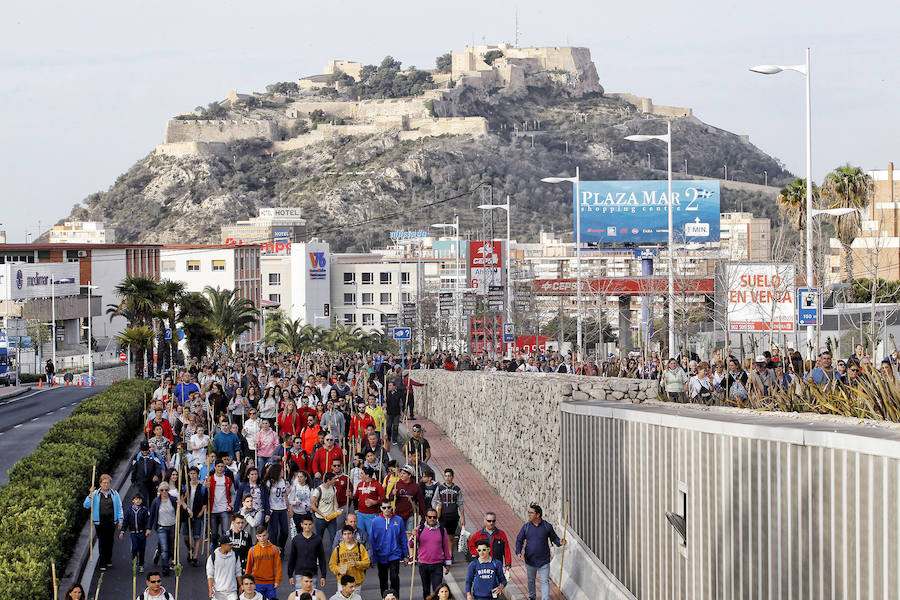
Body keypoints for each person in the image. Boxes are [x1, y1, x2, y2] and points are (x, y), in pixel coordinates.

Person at [515, 503, 565, 600]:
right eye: (529, 512)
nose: (529, 514)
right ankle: (532, 597)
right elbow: (519, 540)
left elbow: (554, 538)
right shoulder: (526, 527)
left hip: (544, 561)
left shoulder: (547, 526)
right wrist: (518, 552)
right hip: (530, 560)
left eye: (531, 513)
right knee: (531, 581)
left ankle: (545, 598)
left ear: (538, 515)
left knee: (545, 581)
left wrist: (560, 542)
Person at [82, 473, 124, 572]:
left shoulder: (115, 494)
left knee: (110, 541)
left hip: (111, 521)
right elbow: (86, 505)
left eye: (108, 483)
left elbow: (119, 507)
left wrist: (120, 520)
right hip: (100, 522)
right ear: (100, 483)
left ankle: (108, 558)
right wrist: (90, 495)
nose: (106, 485)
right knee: (102, 542)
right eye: (104, 483)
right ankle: (102, 561)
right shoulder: (95, 494)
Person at [409, 508, 452, 600]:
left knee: (437, 590)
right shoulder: (419, 529)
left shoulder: (442, 530)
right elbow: (411, 544)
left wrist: (448, 563)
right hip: (423, 564)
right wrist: (413, 536)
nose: (432, 519)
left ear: (437, 518)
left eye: (434, 517)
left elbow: (446, 547)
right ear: (426, 518)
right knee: (426, 589)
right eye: (430, 517)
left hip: (437, 565)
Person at [370, 500, 406, 598]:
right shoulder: (375, 522)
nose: (387, 510)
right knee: (383, 578)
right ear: (381, 508)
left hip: (394, 554)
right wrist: (372, 558)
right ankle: (384, 597)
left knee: (394, 577)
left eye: (389, 507)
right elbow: (372, 540)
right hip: (381, 555)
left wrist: (406, 555)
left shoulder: (398, 520)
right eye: (384, 507)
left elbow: (403, 538)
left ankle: (395, 597)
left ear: (392, 508)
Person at [286, 515, 328, 593]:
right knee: (299, 595)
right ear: (301, 524)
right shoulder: (296, 539)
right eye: (305, 524)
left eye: (309, 524)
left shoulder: (317, 539)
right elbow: (292, 558)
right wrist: (290, 575)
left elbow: (322, 558)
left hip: (312, 573)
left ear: (313, 525)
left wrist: (323, 576)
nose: (307, 526)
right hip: (299, 573)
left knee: (312, 596)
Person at [433, 468, 465, 561]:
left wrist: (463, 517)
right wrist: (436, 510)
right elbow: (434, 500)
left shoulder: (457, 489)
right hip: (442, 516)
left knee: (451, 536)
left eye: (449, 476)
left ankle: (450, 555)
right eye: (446, 476)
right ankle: (444, 554)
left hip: (453, 516)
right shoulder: (440, 488)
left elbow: (460, 503)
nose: (447, 478)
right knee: (443, 536)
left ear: (452, 477)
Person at [148, 482, 178, 576]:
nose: (164, 492)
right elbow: (152, 515)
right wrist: (148, 528)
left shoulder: (173, 500)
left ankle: (165, 558)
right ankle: (165, 567)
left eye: (166, 490)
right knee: (165, 547)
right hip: (161, 527)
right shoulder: (156, 501)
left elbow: (179, 510)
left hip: (172, 526)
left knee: (171, 547)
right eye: (162, 490)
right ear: (159, 491)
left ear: (168, 490)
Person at [179, 465, 207, 565]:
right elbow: (181, 500)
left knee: (196, 536)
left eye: (194, 473)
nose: (192, 475)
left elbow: (205, 502)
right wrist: (185, 503)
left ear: (198, 475)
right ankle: (190, 549)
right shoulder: (186, 486)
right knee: (186, 537)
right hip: (187, 514)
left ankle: (195, 557)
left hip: (197, 514)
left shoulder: (202, 488)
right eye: (191, 473)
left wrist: (201, 512)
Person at [246, 526, 283, 599]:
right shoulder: (252, 550)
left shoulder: (274, 549)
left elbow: (278, 567)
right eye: (260, 536)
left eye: (264, 535)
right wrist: (247, 583)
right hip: (257, 583)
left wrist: (277, 580)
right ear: (257, 537)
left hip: (271, 583)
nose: (262, 538)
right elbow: (248, 568)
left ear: (267, 535)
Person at [262, 462, 290, 552]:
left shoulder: (284, 482)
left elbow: (285, 495)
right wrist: (267, 511)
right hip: (273, 509)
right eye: (281, 471)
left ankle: (281, 546)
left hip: (282, 509)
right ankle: (273, 549)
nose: (283, 472)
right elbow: (266, 497)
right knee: (274, 531)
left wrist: (288, 507)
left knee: (285, 531)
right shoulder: (269, 482)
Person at [120, 492, 150, 573]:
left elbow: (147, 521)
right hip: (133, 533)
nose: (138, 501)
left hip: (142, 533)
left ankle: (141, 565)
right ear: (133, 500)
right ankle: (134, 560)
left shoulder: (144, 510)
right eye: (136, 499)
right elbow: (125, 522)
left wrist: (148, 529)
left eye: (139, 499)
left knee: (142, 549)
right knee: (134, 548)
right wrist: (122, 531)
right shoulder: (129, 511)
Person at [208, 459, 236, 545]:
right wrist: (205, 487)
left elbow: (233, 493)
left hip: (224, 509)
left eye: (222, 466)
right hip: (213, 510)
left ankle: (224, 549)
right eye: (218, 466)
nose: (220, 468)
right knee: (214, 534)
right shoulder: (210, 479)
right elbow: (205, 494)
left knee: (225, 532)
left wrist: (230, 505)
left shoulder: (227, 480)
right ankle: (215, 549)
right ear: (215, 467)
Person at [206, 535, 243, 600]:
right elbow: (210, 575)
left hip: (232, 591)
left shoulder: (235, 556)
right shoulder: (212, 558)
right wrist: (210, 590)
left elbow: (238, 572)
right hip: (217, 592)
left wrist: (240, 585)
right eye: (229, 545)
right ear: (222, 545)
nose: (231, 546)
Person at [311, 472, 340, 545]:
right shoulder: (318, 490)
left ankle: (334, 555)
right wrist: (323, 515)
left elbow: (335, 502)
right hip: (320, 519)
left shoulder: (333, 488)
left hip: (331, 518)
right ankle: (318, 555)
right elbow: (312, 505)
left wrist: (336, 510)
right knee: (319, 539)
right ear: (328, 481)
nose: (335, 481)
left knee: (334, 538)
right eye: (334, 479)